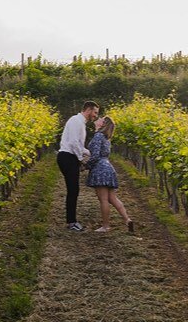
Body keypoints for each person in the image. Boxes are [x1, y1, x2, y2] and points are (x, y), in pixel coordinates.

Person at [85, 116, 133, 233]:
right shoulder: (106, 138)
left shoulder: (98, 136)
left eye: (101, 119)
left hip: (100, 169)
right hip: (108, 167)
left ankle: (106, 226)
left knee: (103, 200)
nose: (98, 118)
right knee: (113, 198)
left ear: (103, 124)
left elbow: (95, 156)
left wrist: (85, 166)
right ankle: (127, 219)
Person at [57, 100, 99, 231]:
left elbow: (79, 146)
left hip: (68, 156)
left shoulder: (79, 122)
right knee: (73, 190)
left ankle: (72, 221)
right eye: (95, 112)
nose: (96, 116)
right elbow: (74, 143)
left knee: (74, 190)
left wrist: (89, 152)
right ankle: (71, 222)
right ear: (88, 110)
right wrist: (81, 159)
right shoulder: (76, 121)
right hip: (67, 157)